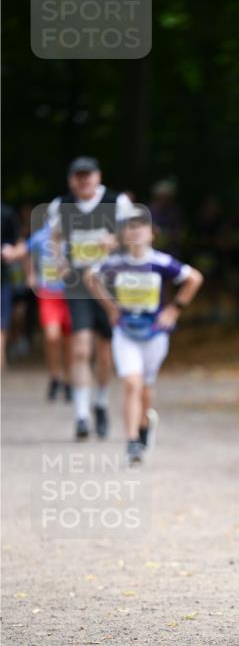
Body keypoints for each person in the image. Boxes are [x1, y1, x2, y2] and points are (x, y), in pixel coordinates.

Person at [86, 206, 203, 465]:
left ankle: (144, 424)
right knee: (131, 382)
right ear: (124, 235)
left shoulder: (161, 262)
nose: (136, 233)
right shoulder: (116, 263)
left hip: (154, 333)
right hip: (125, 332)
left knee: (146, 388)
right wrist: (110, 308)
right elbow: (91, 276)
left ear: (152, 234)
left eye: (141, 228)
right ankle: (131, 442)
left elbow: (194, 278)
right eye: (131, 228)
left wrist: (174, 309)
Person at [47, 157, 134, 439]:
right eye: (78, 176)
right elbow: (56, 238)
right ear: (71, 179)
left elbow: (136, 235)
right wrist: (60, 263)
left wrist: (117, 241)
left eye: (88, 175)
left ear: (98, 176)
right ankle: (81, 414)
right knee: (81, 348)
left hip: (111, 284)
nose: (83, 181)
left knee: (104, 351)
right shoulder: (60, 206)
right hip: (79, 285)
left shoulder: (117, 202)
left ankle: (100, 401)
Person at [25, 208, 72, 400]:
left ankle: (69, 380)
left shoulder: (73, 238)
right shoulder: (39, 238)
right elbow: (26, 252)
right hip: (48, 294)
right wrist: (31, 274)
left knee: (69, 342)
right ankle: (55, 375)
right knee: (52, 336)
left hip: (70, 296)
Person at [1, 203, 25, 367]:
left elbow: (19, 245)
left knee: (1, 325)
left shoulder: (6, 213)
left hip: (3, 279)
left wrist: (10, 252)